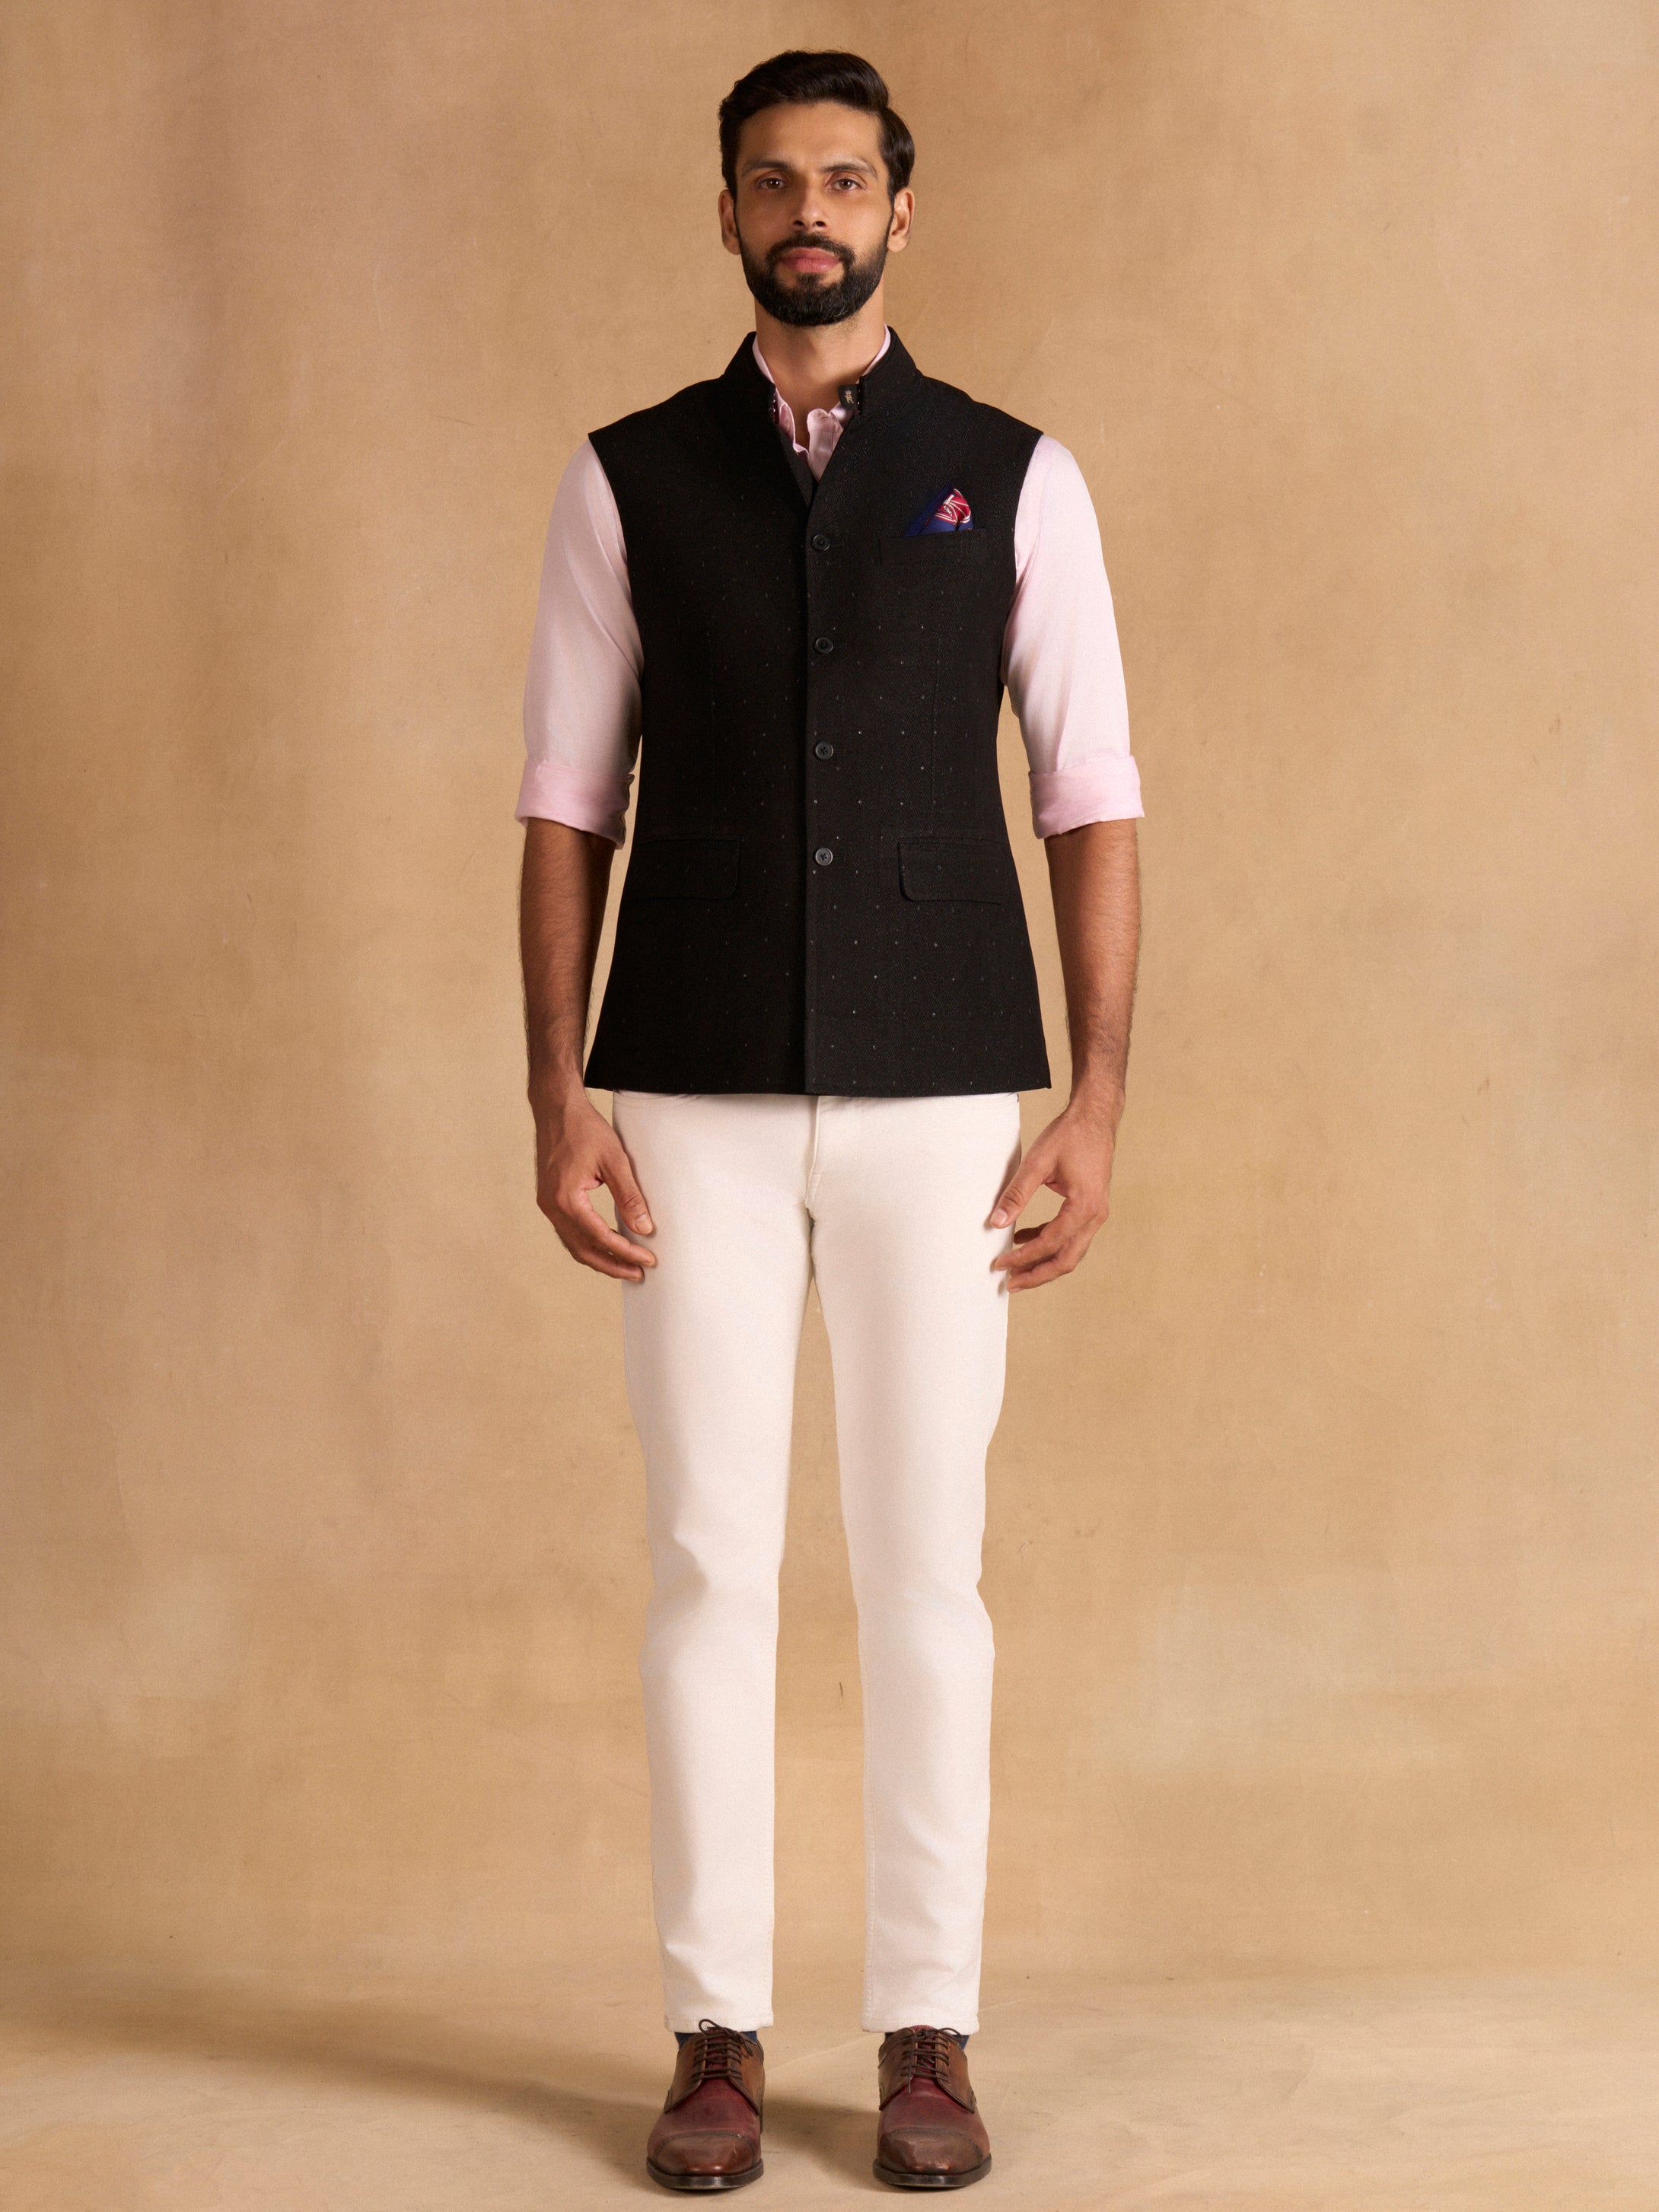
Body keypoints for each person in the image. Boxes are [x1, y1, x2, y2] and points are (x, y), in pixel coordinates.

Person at [516, 47, 1142, 2193]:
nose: (811, 211)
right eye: (773, 181)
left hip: (946, 1086)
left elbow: (1089, 793)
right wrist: (556, 1096)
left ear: (900, 211)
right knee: (707, 1558)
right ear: (726, 214)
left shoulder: (1012, 476)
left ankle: (926, 2037)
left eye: (846, 181)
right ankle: (712, 2036)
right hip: (682, 1082)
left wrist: (1097, 1095)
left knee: (924, 1570)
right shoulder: (626, 477)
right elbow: (563, 805)